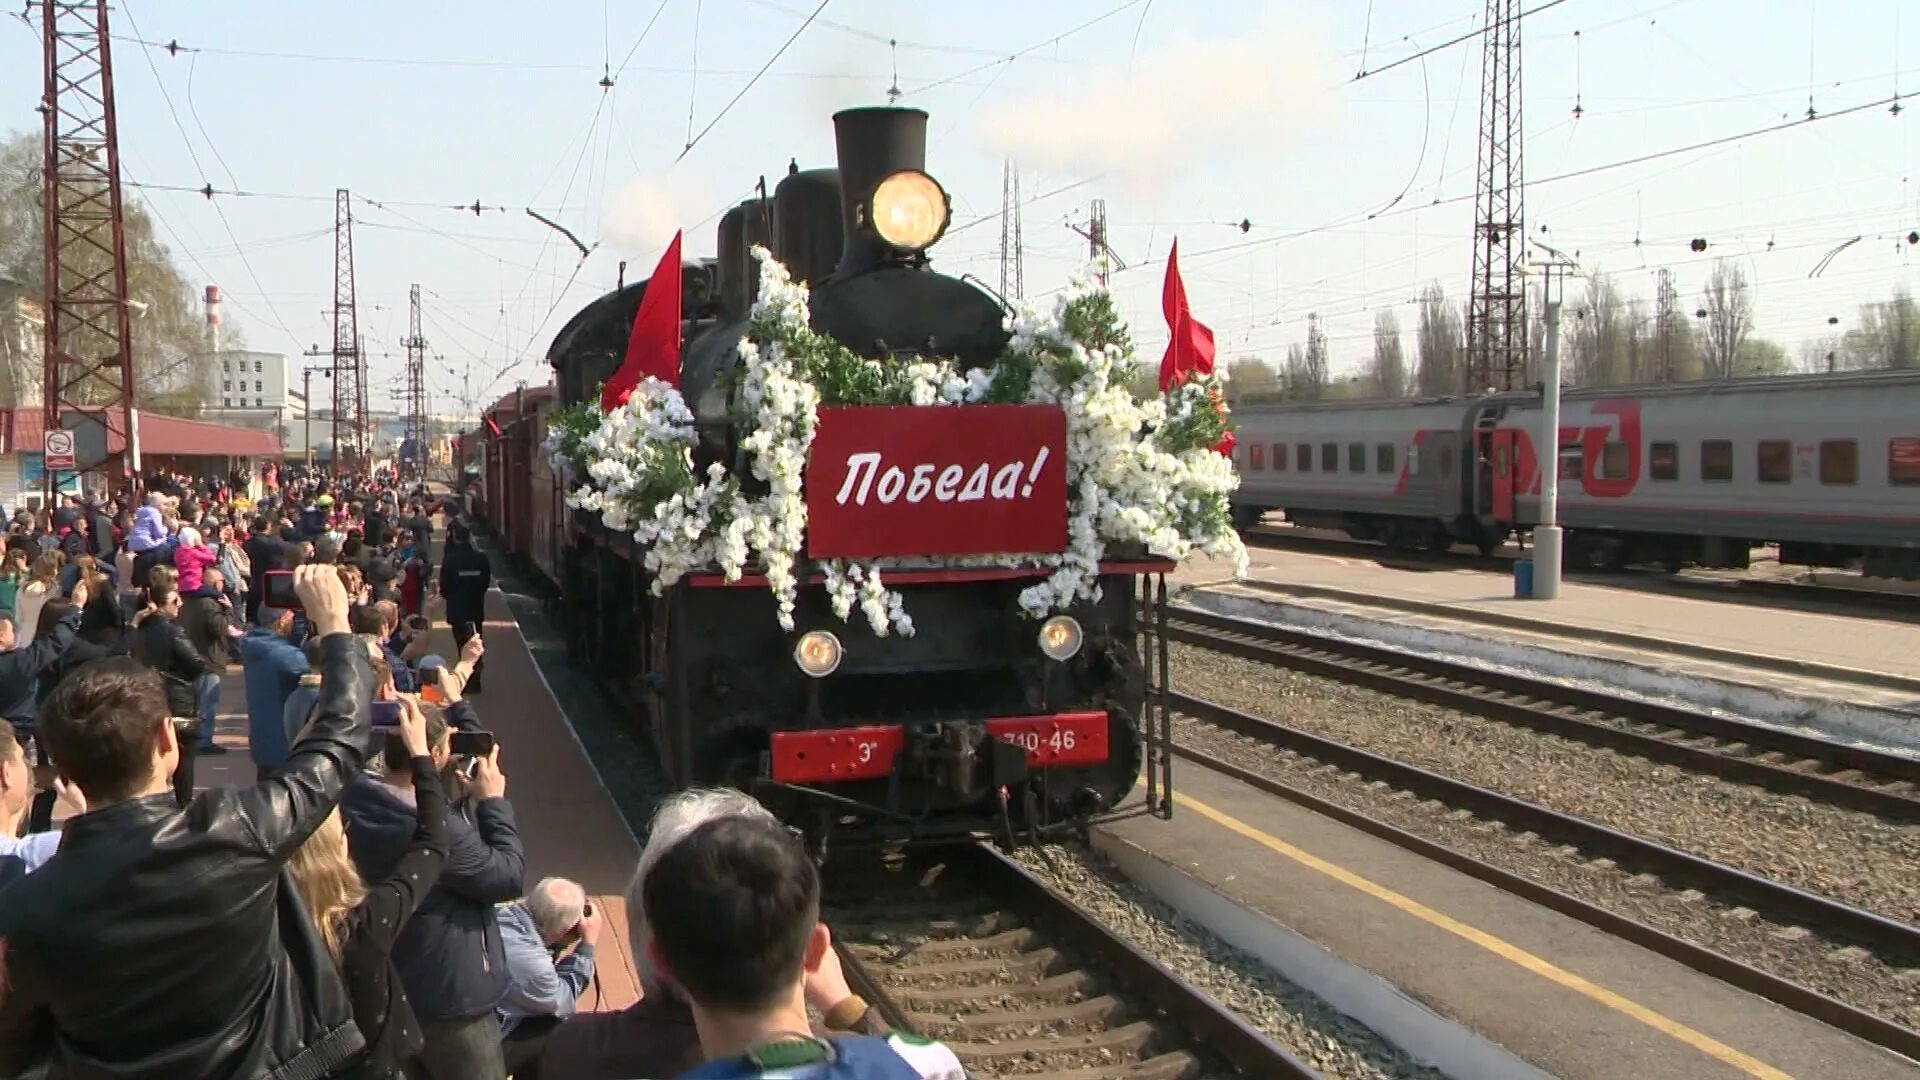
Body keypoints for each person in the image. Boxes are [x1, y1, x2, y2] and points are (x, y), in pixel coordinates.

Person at [0, 566, 370, 1079]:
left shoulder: (25, 908)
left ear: (64, 768)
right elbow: (338, 742)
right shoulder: (237, 830)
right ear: (166, 742)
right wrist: (335, 625)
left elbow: (17, 1047)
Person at [525, 790, 891, 1080]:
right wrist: (846, 1008)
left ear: (658, 954)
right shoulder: (848, 1057)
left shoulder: (573, 1051)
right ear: (813, 950)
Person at [643, 817, 967, 1080]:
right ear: (816, 950)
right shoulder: (927, 1066)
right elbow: (908, 1052)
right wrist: (847, 1008)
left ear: (661, 962)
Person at [341, 633, 515, 1080]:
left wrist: (459, 708)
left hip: (390, 989)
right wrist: (493, 804)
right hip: (451, 999)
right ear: (436, 755)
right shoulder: (438, 830)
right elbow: (506, 875)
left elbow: (464, 752)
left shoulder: (354, 799)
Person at [287, 692, 449, 1080]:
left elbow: (281, 805)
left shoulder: (270, 919)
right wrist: (422, 758)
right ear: (338, 846)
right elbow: (433, 843)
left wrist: (305, 748)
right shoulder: (364, 925)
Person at [131, 583, 227, 802]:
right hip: (177, 703)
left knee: (152, 762)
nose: (180, 604)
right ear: (159, 605)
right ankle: (184, 809)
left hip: (147, 699)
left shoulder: (138, 630)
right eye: (174, 601)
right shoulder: (172, 631)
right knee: (184, 764)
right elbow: (195, 663)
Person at [496, 877, 600, 1070]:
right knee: (558, 1028)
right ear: (567, 929)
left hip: (439, 1025)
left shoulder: (498, 911)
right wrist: (587, 947)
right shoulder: (534, 967)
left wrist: (557, 940)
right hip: (472, 1048)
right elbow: (563, 1000)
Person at [236, 603, 310, 782]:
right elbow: (313, 672)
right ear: (282, 621)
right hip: (285, 741)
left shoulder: (254, 646)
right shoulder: (286, 656)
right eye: (291, 617)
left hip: (263, 740)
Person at [0, 724, 86, 874]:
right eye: (22, 758)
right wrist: (86, 807)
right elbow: (127, 842)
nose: (29, 768)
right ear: (6, 774)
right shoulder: (49, 851)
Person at [182, 567, 240, 755]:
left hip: (192, 657)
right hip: (209, 658)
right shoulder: (211, 603)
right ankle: (203, 740)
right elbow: (220, 628)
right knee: (208, 703)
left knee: (195, 702)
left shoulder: (189, 601)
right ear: (216, 583)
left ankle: (193, 738)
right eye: (222, 580)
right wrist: (229, 610)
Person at [439, 524, 489, 693]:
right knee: (476, 641)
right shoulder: (481, 558)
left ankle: (466, 679)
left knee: (461, 644)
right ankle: (476, 680)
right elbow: (485, 583)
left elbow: (444, 586)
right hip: (475, 608)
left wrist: (450, 596)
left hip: (457, 609)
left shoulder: (450, 560)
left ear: (454, 537)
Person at [14, 553, 59, 649]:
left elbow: (18, 617)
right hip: (44, 640)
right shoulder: (53, 592)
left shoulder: (21, 589)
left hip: (23, 637)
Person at [173, 525, 219, 594]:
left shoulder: (177, 551)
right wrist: (201, 545)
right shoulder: (194, 553)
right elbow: (212, 560)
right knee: (218, 595)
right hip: (194, 586)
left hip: (182, 587)